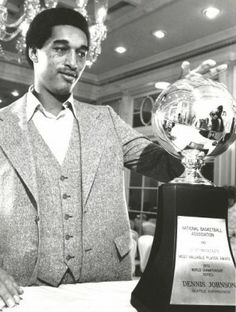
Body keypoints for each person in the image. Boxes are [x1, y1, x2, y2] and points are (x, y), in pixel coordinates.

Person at [0, 7, 225, 309]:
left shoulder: (106, 119)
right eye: (61, 49)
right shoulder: (2, 125)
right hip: (24, 292)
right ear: (34, 52)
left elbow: (170, 167)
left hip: (106, 285)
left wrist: (188, 108)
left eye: (81, 53)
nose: (73, 63)